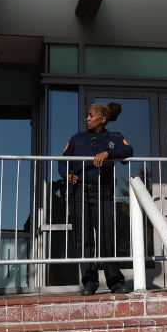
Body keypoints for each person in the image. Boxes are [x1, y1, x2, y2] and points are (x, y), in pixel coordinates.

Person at [60, 102, 134, 295]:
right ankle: (89, 283)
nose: (87, 118)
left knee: (106, 237)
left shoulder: (114, 138)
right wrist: (67, 174)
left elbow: (128, 151)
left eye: (91, 116)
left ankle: (115, 281)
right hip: (79, 194)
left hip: (103, 193)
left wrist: (108, 153)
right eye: (87, 115)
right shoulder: (77, 139)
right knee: (83, 239)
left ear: (102, 119)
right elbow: (64, 159)